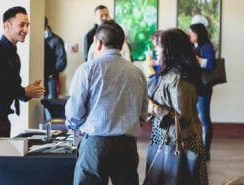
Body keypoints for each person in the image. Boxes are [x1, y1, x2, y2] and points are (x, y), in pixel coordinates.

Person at [66, 22, 148, 185]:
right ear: (122, 43)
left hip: (96, 144)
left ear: (99, 43)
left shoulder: (87, 69)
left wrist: (74, 128)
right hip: (127, 145)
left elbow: (75, 112)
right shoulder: (137, 73)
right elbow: (142, 114)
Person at [149, 28, 208, 185]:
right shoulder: (169, 72)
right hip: (170, 140)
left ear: (170, 50)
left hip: (180, 145)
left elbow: (182, 118)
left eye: (159, 46)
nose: (156, 49)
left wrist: (153, 108)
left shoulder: (178, 78)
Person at [0, 6, 45, 137]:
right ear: (7, 25)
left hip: (3, 118)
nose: (26, 30)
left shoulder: (13, 53)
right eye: (21, 25)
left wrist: (28, 92)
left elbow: (11, 85)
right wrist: (24, 92)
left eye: (27, 25)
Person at [189, 23, 216, 161]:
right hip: (198, 87)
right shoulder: (196, 46)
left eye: (192, 33)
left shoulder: (205, 46)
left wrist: (198, 60)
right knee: (200, 118)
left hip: (204, 88)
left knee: (204, 119)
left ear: (198, 33)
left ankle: (206, 151)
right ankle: (202, 149)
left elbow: (211, 64)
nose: (190, 35)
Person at [44, 17, 67, 99]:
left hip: (51, 78)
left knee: (50, 102)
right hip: (38, 77)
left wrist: (52, 71)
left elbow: (62, 60)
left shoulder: (56, 40)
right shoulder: (35, 39)